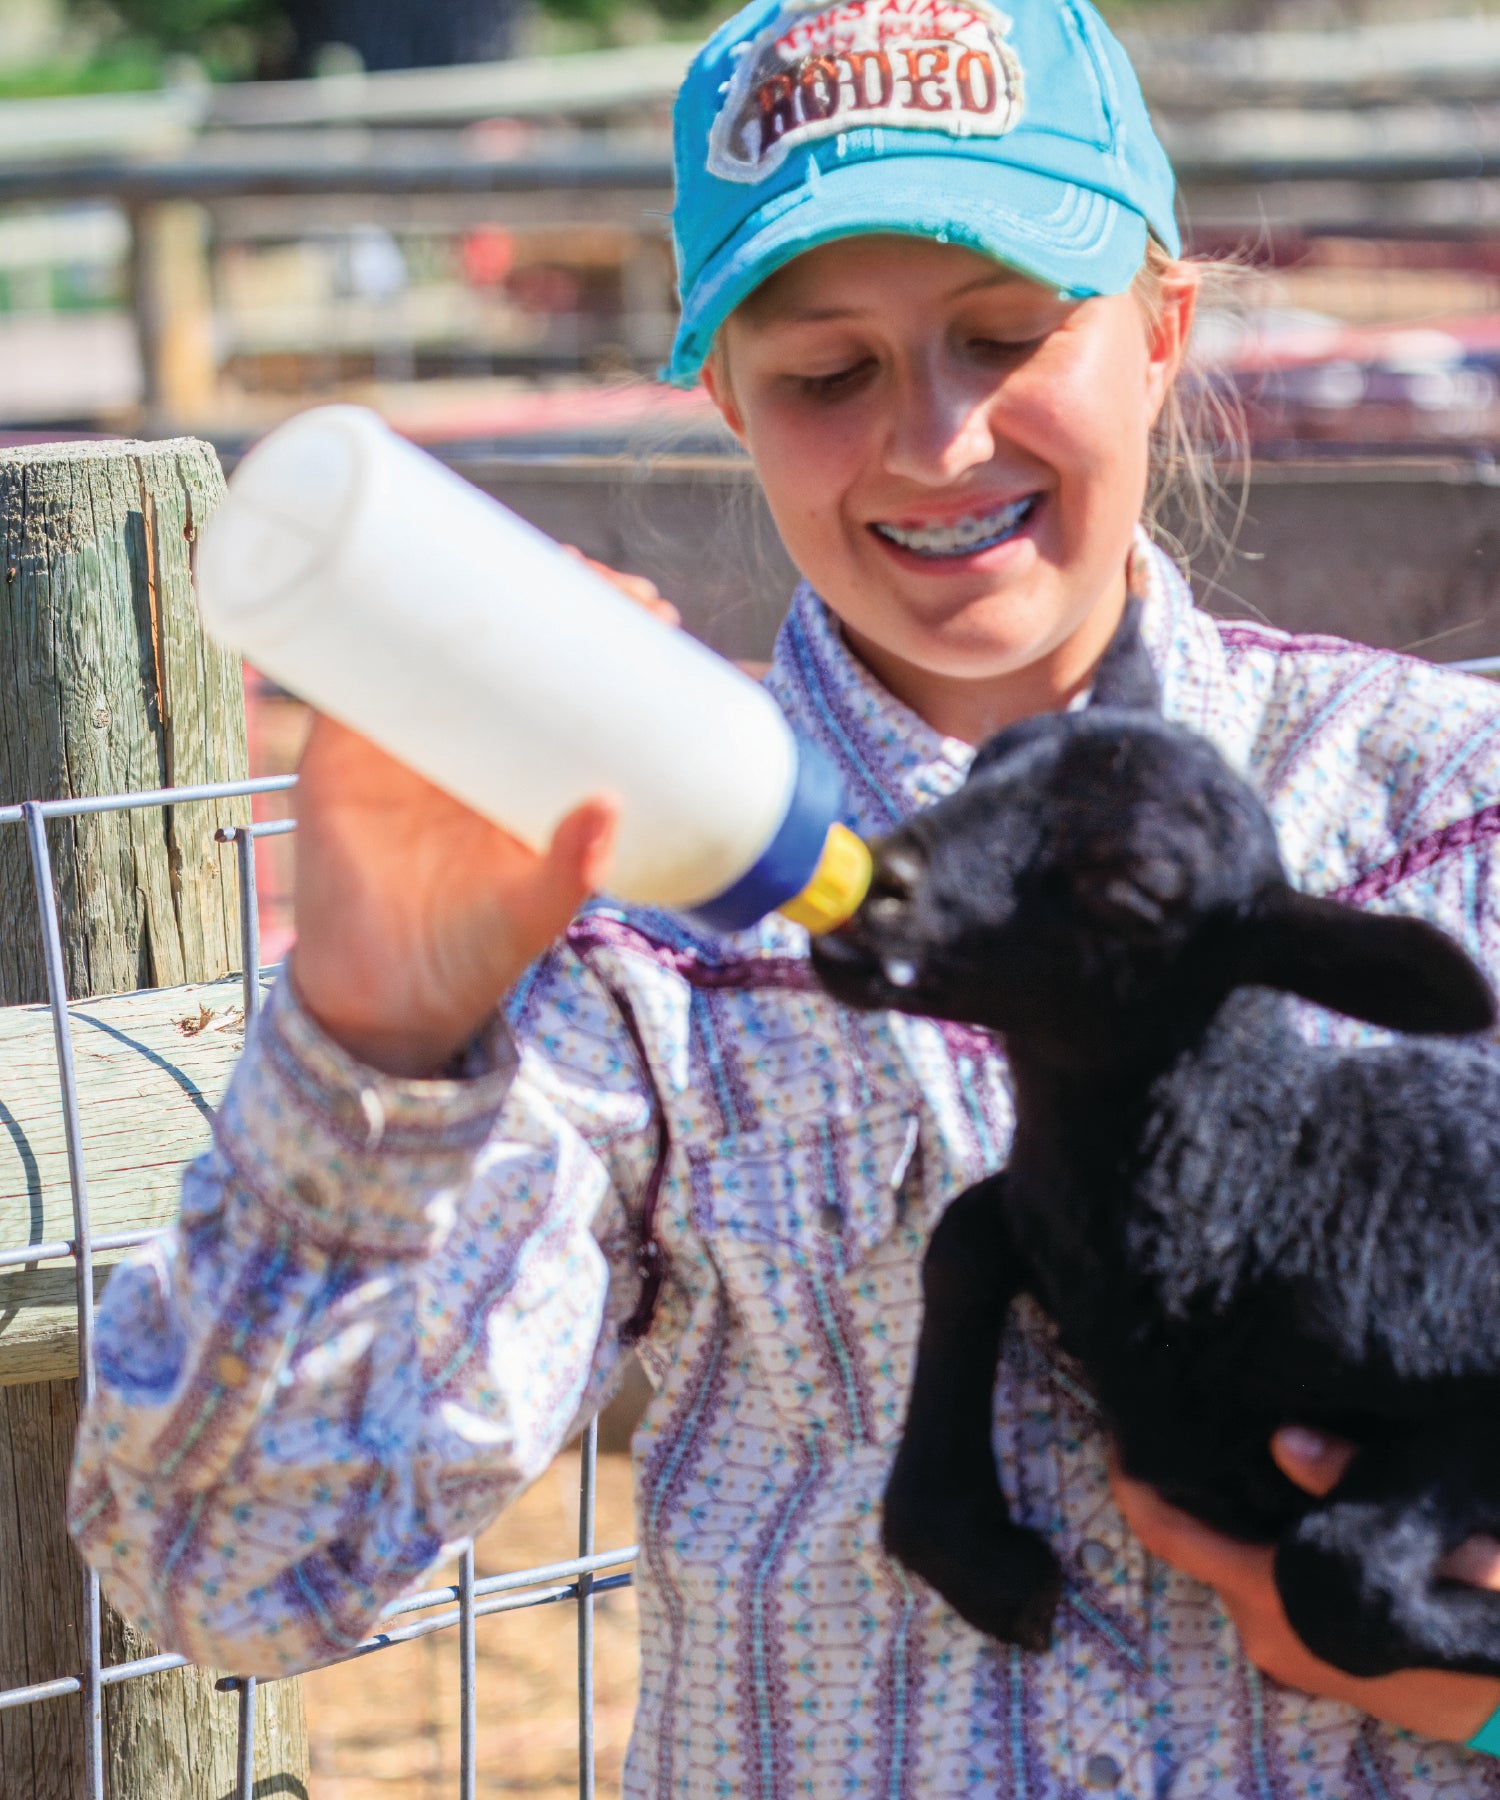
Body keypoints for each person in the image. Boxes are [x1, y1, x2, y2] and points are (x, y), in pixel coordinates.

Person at [70, 0, 1500, 1792]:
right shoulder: (632, 940)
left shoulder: (1452, 813)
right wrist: (376, 1033)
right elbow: (229, 1576)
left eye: (1006, 334)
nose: (935, 438)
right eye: (829, 374)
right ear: (725, 393)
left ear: (1162, 330)